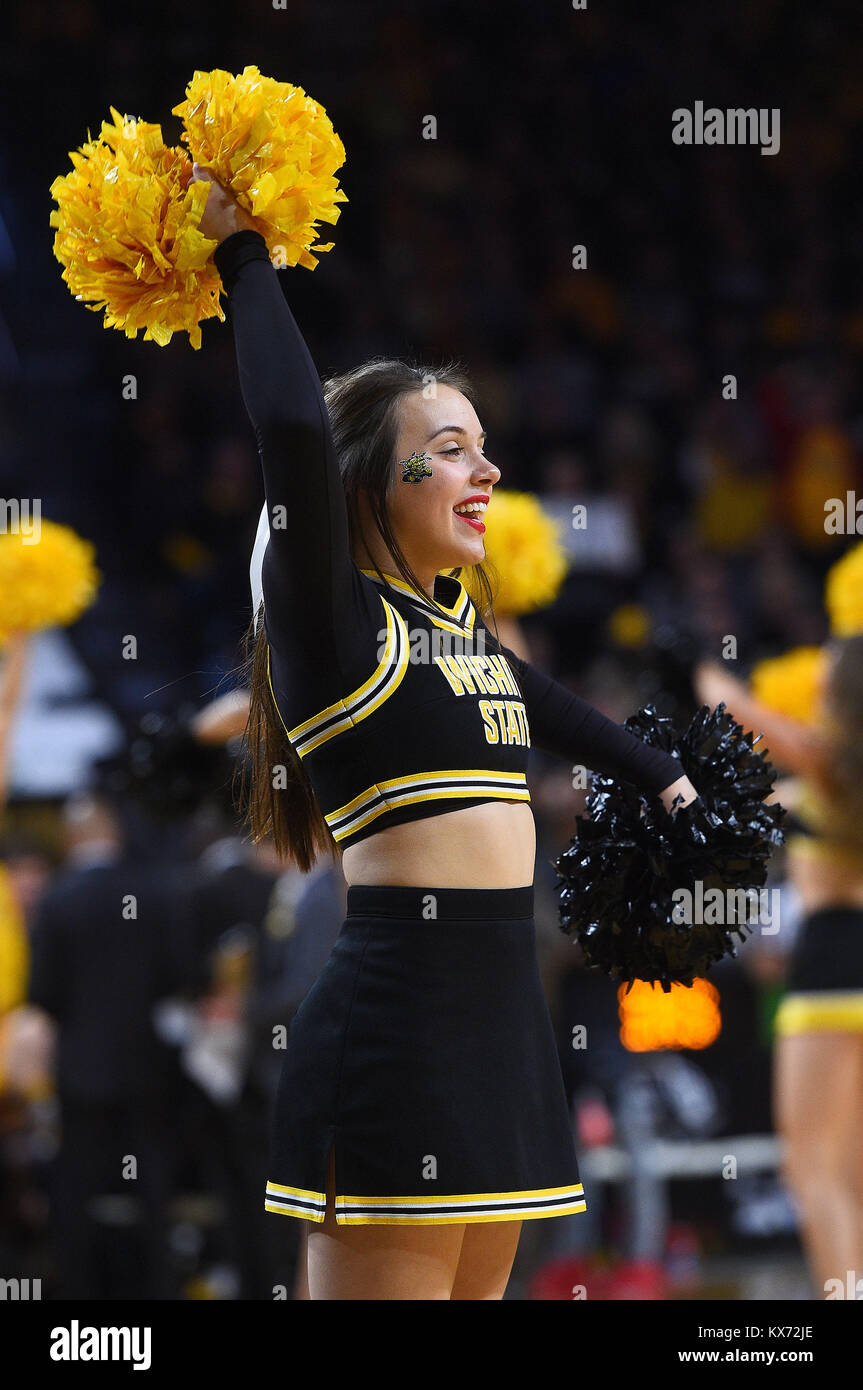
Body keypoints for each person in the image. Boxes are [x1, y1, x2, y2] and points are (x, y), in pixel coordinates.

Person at [192, 164, 697, 1301]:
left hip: (500, 1023)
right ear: (378, 478)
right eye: (456, 448)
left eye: (483, 444)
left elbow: (544, 704)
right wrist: (241, 257)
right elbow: (287, 425)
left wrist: (662, 775)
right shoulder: (335, 619)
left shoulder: (451, 621)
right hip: (398, 1028)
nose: (489, 471)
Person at [695, 640, 863, 1298]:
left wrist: (698, 661)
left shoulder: (831, 763)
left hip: (827, 973)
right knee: (849, 1172)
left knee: (810, 1171)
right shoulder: (825, 775)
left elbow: (729, 706)